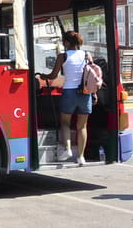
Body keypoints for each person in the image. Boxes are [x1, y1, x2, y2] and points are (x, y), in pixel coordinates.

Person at [40, 31, 96, 165]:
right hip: (85, 92)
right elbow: (92, 76)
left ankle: (68, 149)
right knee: (82, 126)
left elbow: (53, 75)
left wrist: (44, 76)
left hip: (69, 92)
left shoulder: (63, 56)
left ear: (66, 42)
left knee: (65, 122)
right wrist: (94, 94)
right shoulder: (86, 55)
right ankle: (81, 157)